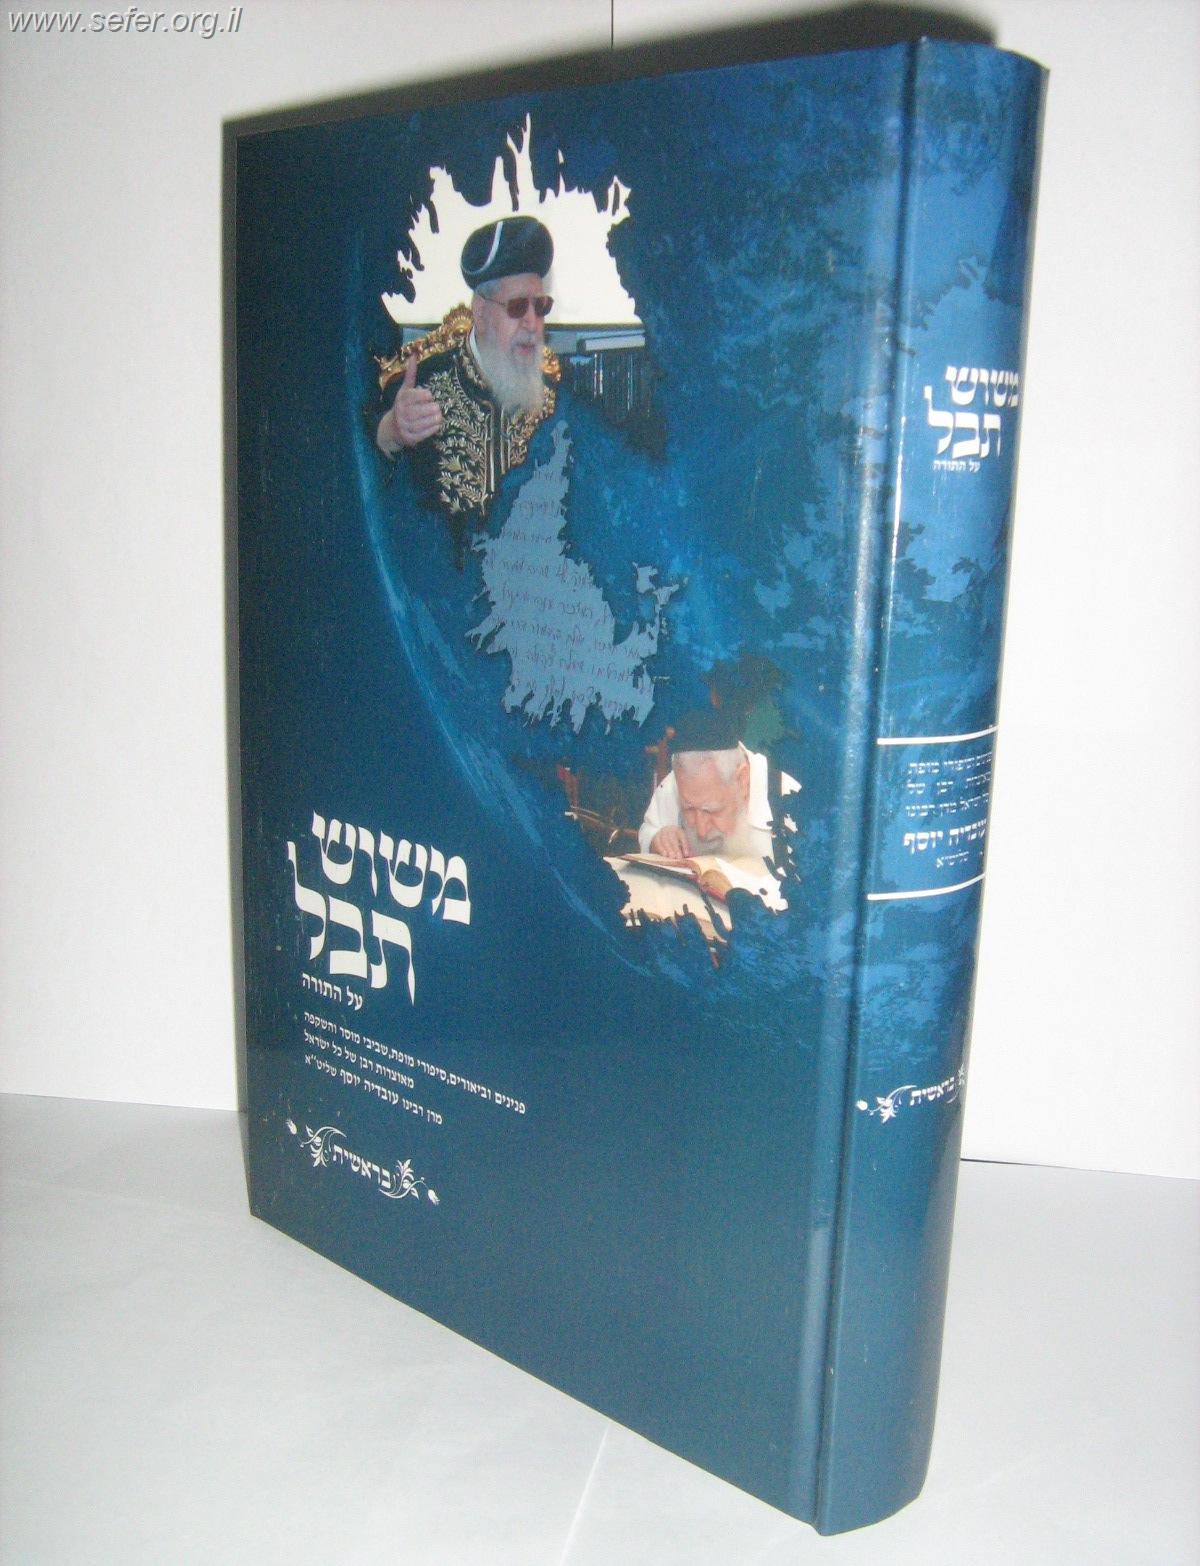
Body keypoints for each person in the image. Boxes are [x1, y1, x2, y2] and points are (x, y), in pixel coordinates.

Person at [376, 215, 559, 560]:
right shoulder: (420, 388)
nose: (532, 323)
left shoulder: (557, 399)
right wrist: (390, 433)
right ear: (481, 312)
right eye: (517, 306)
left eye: (540, 307)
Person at [639, 742, 775, 863]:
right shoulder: (676, 783)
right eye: (689, 809)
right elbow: (649, 830)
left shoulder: (784, 794)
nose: (701, 832)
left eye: (711, 811)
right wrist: (657, 839)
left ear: (742, 780)